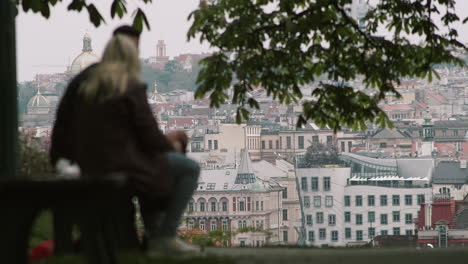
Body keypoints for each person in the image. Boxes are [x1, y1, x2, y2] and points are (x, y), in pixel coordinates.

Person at [50, 26, 200, 256]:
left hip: (84, 163)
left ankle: (153, 234)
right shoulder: (129, 85)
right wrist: (173, 142)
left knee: (155, 163)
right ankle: (162, 236)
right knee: (187, 168)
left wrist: (61, 160)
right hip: (119, 164)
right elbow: (150, 137)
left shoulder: (83, 81)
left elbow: (62, 125)